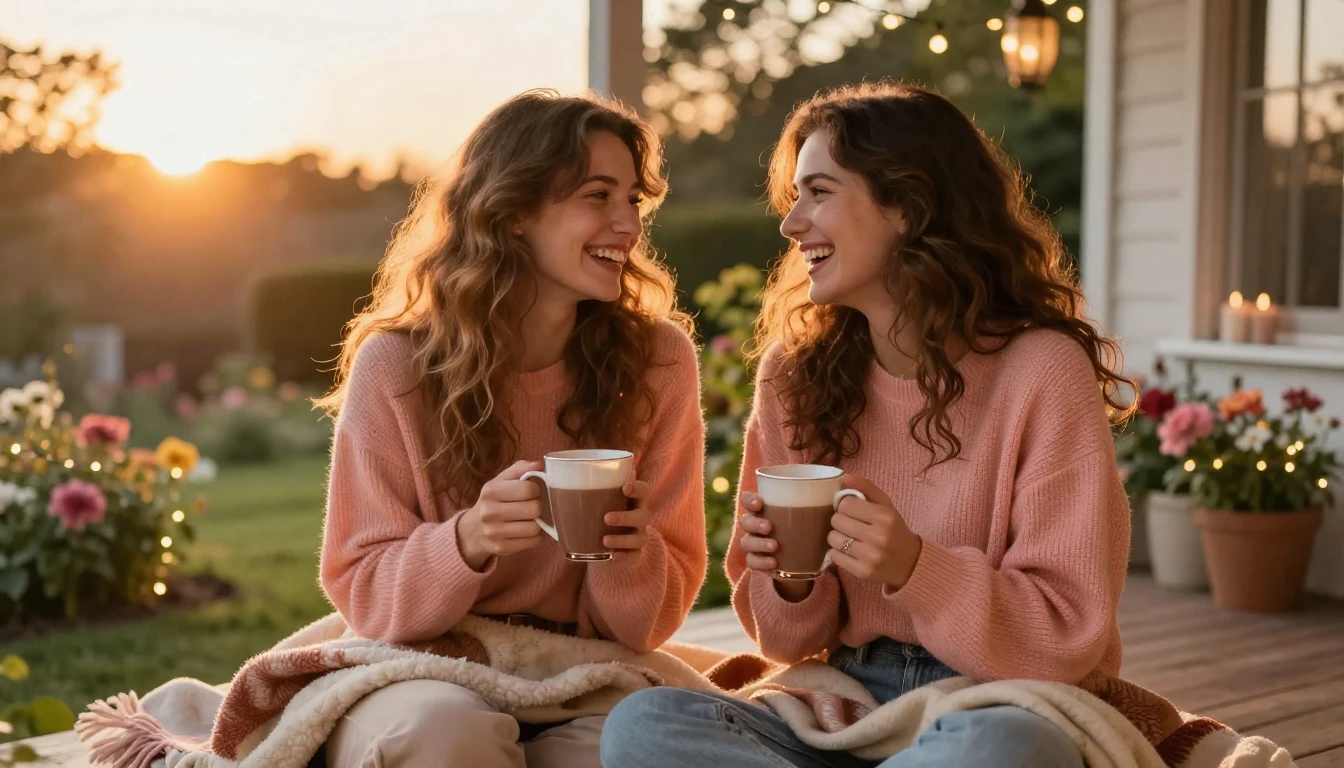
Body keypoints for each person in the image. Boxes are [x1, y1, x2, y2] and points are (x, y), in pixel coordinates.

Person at [601, 81, 1134, 768]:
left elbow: (1065, 636)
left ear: (909, 207)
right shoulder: (796, 376)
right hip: (848, 697)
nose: (792, 226)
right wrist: (790, 581)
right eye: (794, 199)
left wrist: (914, 565)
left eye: (819, 192)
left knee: (1009, 748)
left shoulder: (1041, 371)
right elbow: (784, 640)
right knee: (644, 724)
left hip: (999, 698)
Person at [315, 89, 707, 768]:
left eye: (633, 202)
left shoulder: (658, 363)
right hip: (423, 667)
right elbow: (365, 591)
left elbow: (647, 626)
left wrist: (627, 552)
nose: (627, 225)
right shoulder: (397, 366)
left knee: (651, 745)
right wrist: (467, 540)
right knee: (448, 734)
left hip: (583, 671)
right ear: (516, 211)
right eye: (598, 195)